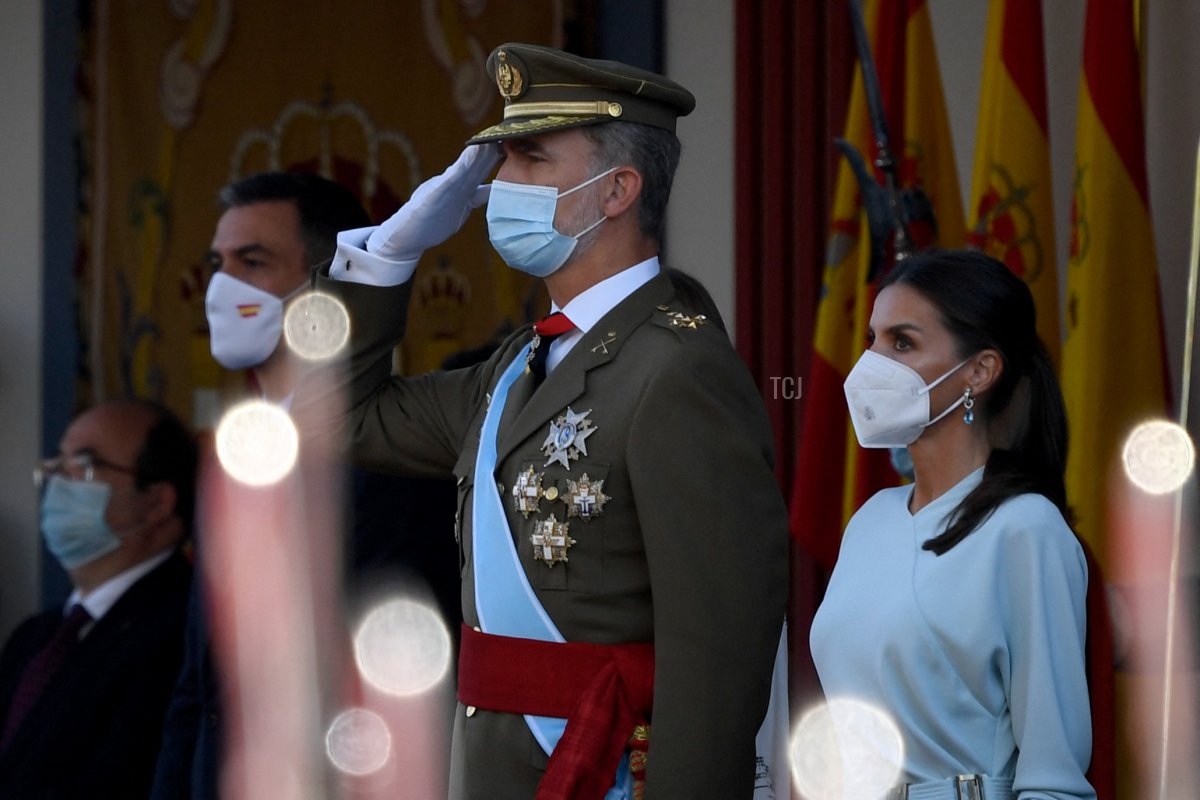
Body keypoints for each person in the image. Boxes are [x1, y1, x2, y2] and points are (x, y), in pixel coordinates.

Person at [304, 42, 790, 799]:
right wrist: (388, 254)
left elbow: (718, 652)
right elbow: (336, 417)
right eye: (504, 163)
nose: (501, 185)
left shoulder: (678, 370)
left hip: (603, 772)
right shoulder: (516, 366)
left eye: (531, 161)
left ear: (618, 189)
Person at [151, 172, 460, 799]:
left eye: (253, 261)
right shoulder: (239, 456)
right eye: (219, 262)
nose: (221, 286)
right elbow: (199, 685)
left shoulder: (390, 458)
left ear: (323, 281)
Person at [811, 249, 1094, 799]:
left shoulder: (1027, 530)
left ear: (980, 371)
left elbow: (1054, 777)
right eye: (872, 339)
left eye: (903, 342)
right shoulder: (870, 522)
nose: (873, 363)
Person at [0, 399, 196, 797]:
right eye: (55, 464)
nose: (59, 481)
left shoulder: (184, 633)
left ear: (158, 501)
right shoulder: (34, 636)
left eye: (84, 467)